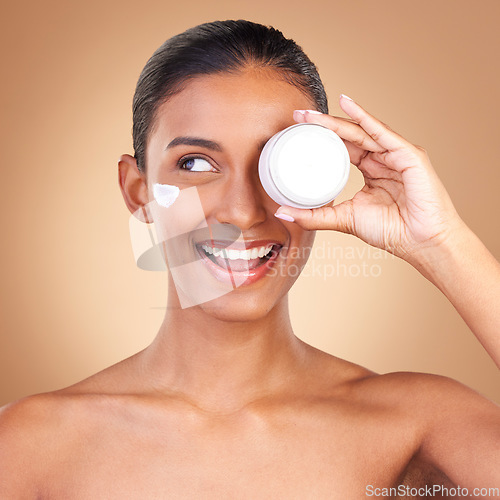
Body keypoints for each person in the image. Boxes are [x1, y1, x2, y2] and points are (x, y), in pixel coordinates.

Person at [0, 19, 499, 499]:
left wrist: (440, 243)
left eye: (274, 163)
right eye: (195, 163)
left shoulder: (415, 429)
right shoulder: (30, 445)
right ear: (139, 192)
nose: (241, 210)